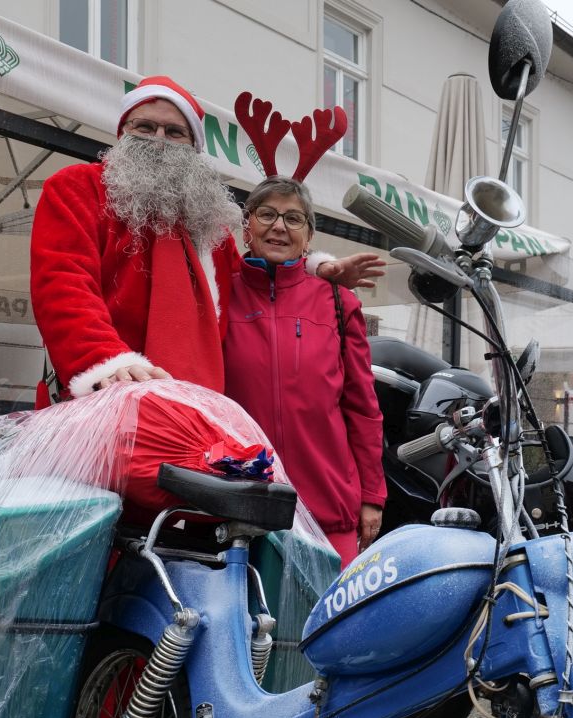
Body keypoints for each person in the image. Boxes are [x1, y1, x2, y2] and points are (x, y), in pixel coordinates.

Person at [29, 76, 381, 399]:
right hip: (105, 396)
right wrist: (105, 360)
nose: (159, 140)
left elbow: (249, 284)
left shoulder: (208, 223)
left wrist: (314, 271)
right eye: (145, 127)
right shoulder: (79, 188)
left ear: (194, 147)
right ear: (123, 133)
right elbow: (63, 282)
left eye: (174, 132)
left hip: (193, 407)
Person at [224, 176, 384, 563]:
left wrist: (371, 497)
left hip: (328, 507)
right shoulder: (219, 294)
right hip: (238, 506)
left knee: (332, 622)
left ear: (308, 236)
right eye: (267, 214)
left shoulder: (339, 302)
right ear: (247, 227)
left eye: (294, 219)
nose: (279, 226)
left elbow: (362, 407)